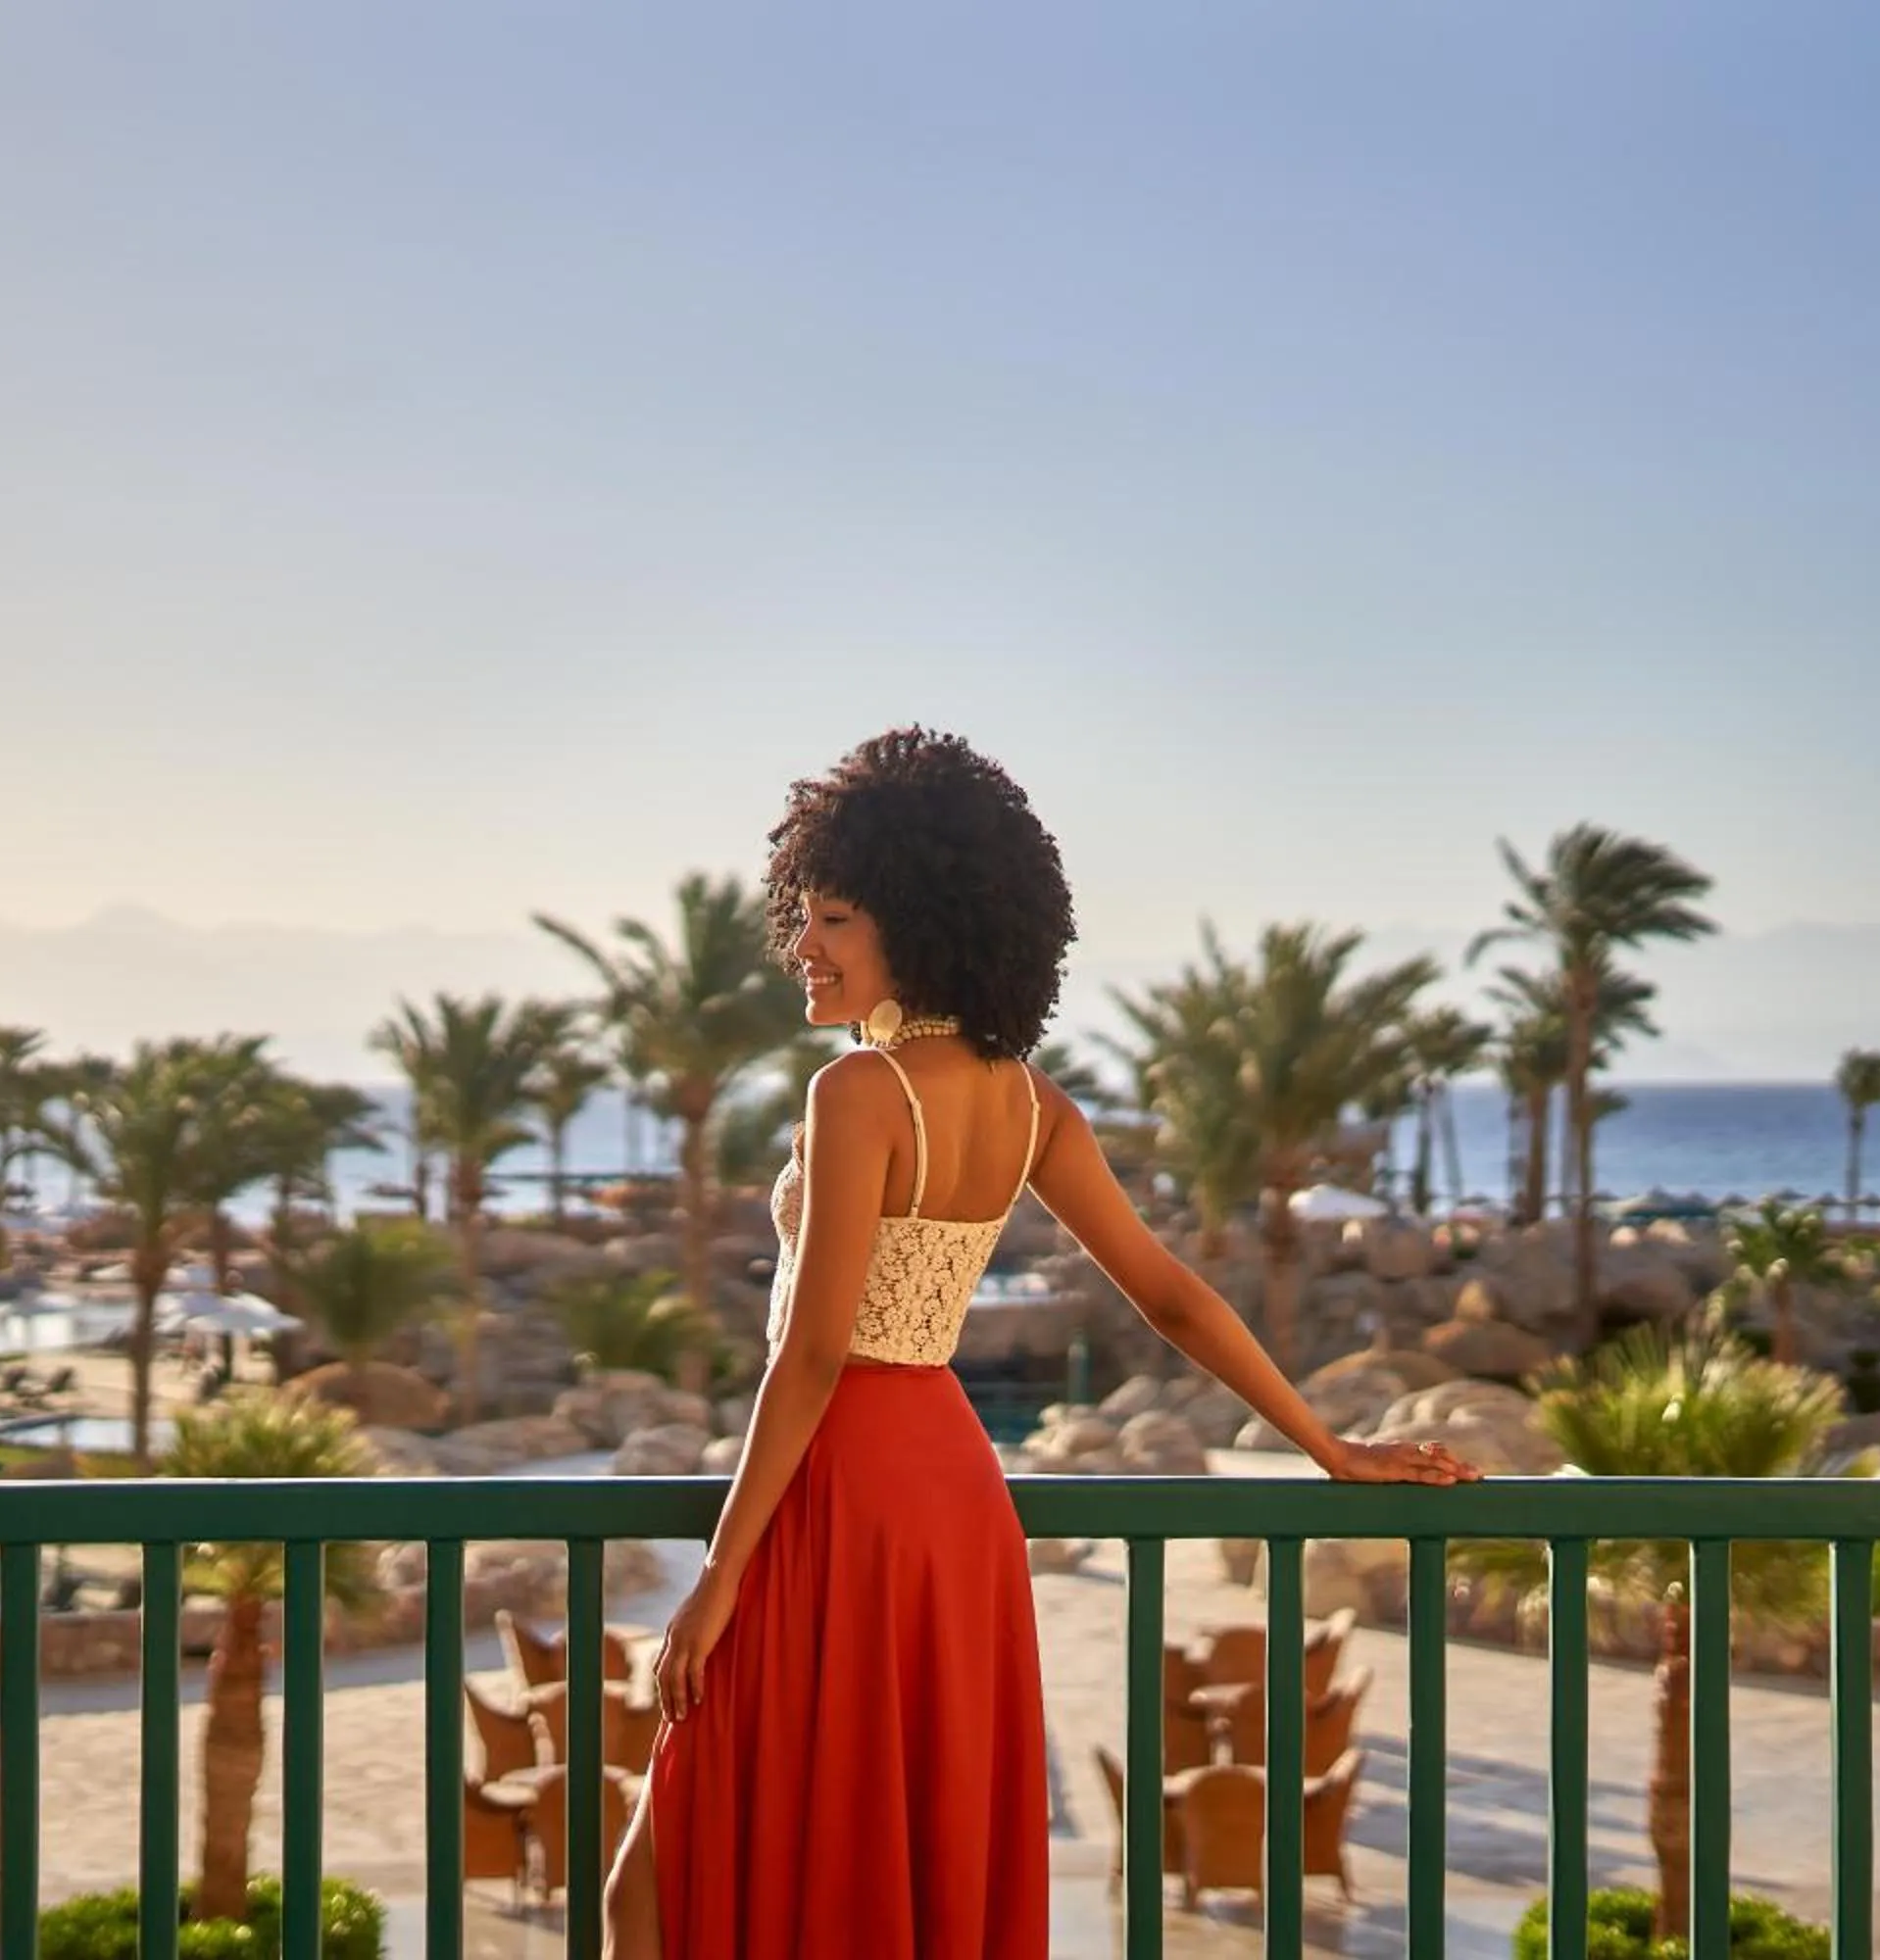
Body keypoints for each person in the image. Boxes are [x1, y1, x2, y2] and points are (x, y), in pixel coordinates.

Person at [602, 727, 1482, 1959]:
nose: (802, 947)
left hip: (838, 1487)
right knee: (892, 1836)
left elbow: (811, 1357)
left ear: (918, 917)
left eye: (835, 918)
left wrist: (718, 1577)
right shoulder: (1031, 1100)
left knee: (651, 1887)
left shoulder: (855, 1094)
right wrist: (1325, 1446)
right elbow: (1171, 1294)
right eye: (802, 917)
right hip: (951, 1494)